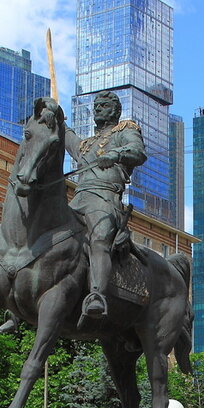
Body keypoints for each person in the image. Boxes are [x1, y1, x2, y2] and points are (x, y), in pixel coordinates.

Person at [65, 91, 146, 319]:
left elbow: (138, 152)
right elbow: (65, 136)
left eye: (104, 105)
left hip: (104, 198)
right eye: (96, 105)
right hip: (78, 200)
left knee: (99, 238)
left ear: (115, 110)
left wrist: (115, 154)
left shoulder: (124, 130)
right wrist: (56, 119)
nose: (98, 108)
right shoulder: (85, 145)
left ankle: (97, 295)